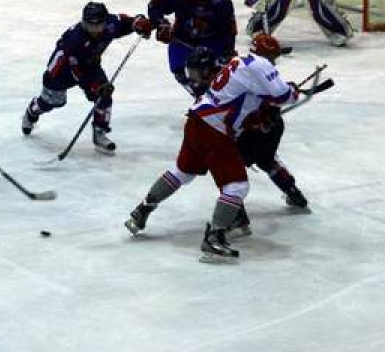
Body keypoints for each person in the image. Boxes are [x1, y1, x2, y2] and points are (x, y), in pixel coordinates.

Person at [124, 35, 300, 263]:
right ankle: (214, 238)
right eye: (274, 58)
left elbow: (256, 96)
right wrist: (293, 90)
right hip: (214, 129)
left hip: (197, 118)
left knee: (182, 172)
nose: (275, 63)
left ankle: (142, 211)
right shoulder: (260, 65)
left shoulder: (239, 62)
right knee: (236, 186)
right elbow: (283, 95)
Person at [21, 2, 152, 155]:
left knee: (103, 97)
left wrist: (137, 23)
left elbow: (123, 22)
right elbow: (76, 70)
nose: (94, 30)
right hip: (61, 71)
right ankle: (32, 111)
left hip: (90, 65)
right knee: (53, 102)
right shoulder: (75, 40)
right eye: (89, 26)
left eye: (97, 26)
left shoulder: (110, 23)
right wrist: (94, 86)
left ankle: (100, 133)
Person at [147, 0, 237, 95]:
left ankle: (215, 98)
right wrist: (160, 23)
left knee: (216, 74)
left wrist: (228, 51)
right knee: (178, 71)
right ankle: (200, 97)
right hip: (182, 39)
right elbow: (155, 5)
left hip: (211, 41)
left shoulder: (221, 2)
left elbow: (229, 29)